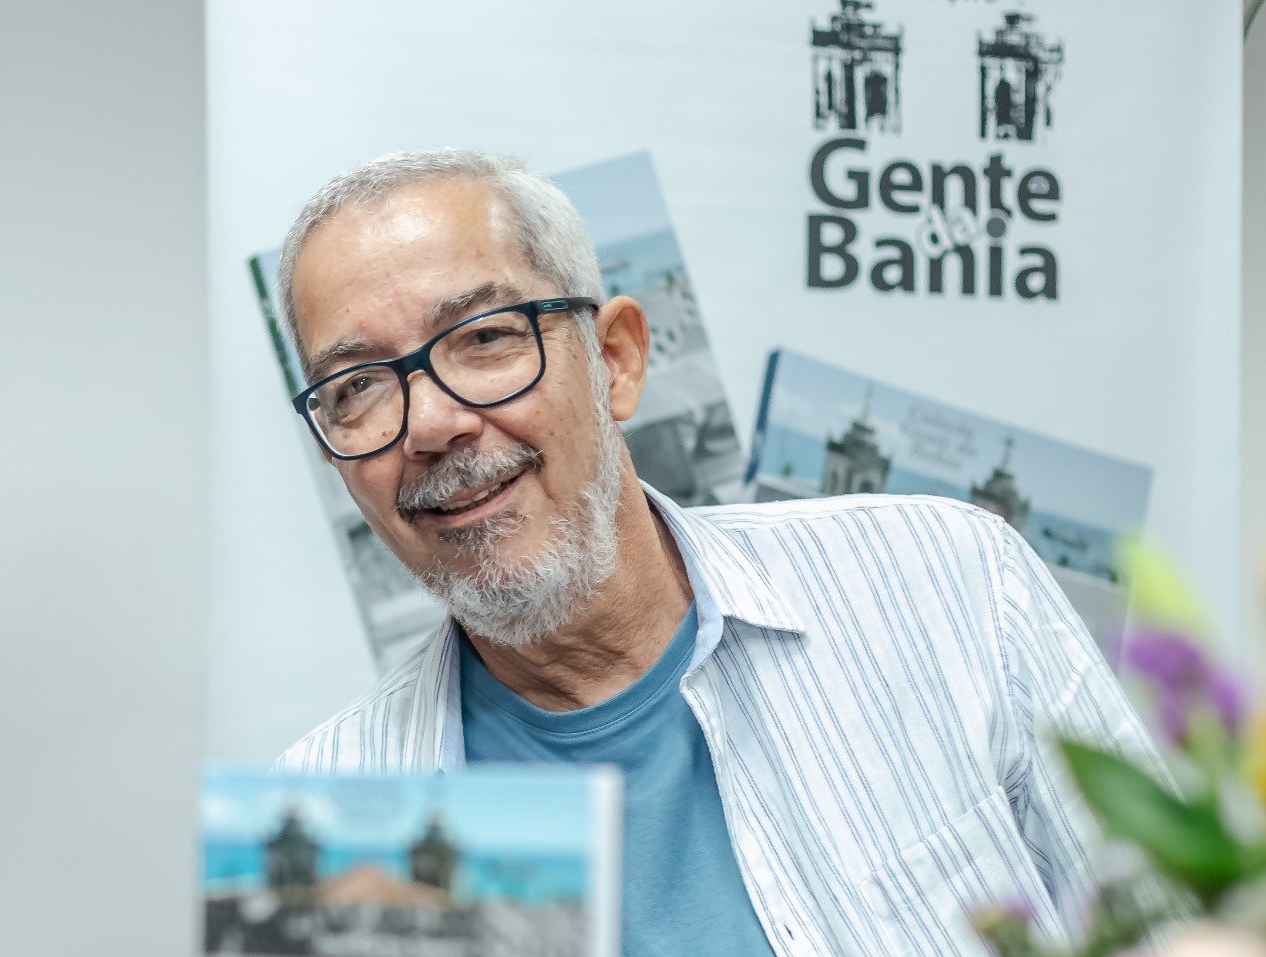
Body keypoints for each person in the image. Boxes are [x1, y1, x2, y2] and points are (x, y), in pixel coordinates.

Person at [274, 149, 1163, 955]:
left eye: (484, 338)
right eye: (356, 388)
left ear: (616, 360)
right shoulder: (325, 817)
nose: (431, 423)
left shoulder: (949, 582)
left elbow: (1180, 925)